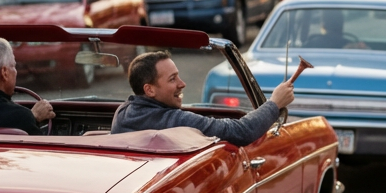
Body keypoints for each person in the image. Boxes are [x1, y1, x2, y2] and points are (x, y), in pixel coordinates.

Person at [111, 50, 295, 144]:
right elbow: (240, 131)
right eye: (172, 79)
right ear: (149, 90)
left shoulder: (122, 113)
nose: (182, 84)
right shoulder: (174, 120)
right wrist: (274, 103)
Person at [0, 37, 54, 134]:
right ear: (4, 73)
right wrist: (31, 116)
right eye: (13, 66)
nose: (15, 71)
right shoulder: (20, 117)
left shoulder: (20, 117)